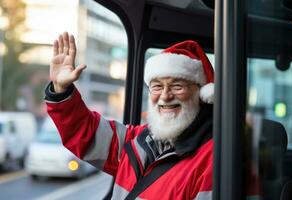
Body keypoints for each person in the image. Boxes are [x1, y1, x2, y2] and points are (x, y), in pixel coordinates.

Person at [45, 32, 215, 200]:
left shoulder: (213, 160)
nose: (165, 96)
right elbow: (86, 135)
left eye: (177, 86)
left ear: (201, 93)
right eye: (156, 86)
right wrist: (61, 90)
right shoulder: (140, 140)